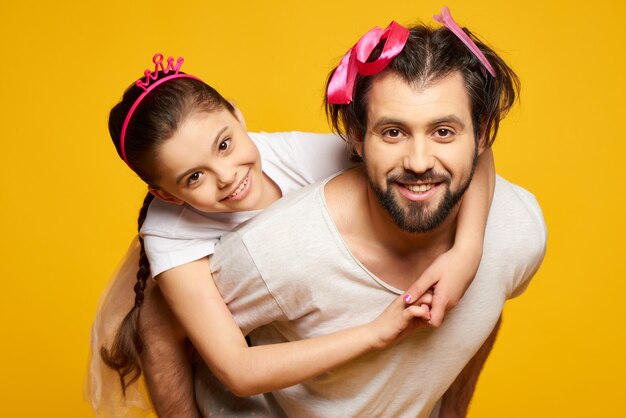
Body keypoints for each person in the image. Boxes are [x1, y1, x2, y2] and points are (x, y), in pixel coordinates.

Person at [143, 8, 547, 417]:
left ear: (481, 134)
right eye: (393, 132)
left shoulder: (517, 228)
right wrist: (374, 333)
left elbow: (485, 307)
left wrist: (468, 253)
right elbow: (162, 329)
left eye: (443, 132)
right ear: (356, 139)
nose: (420, 160)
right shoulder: (268, 251)